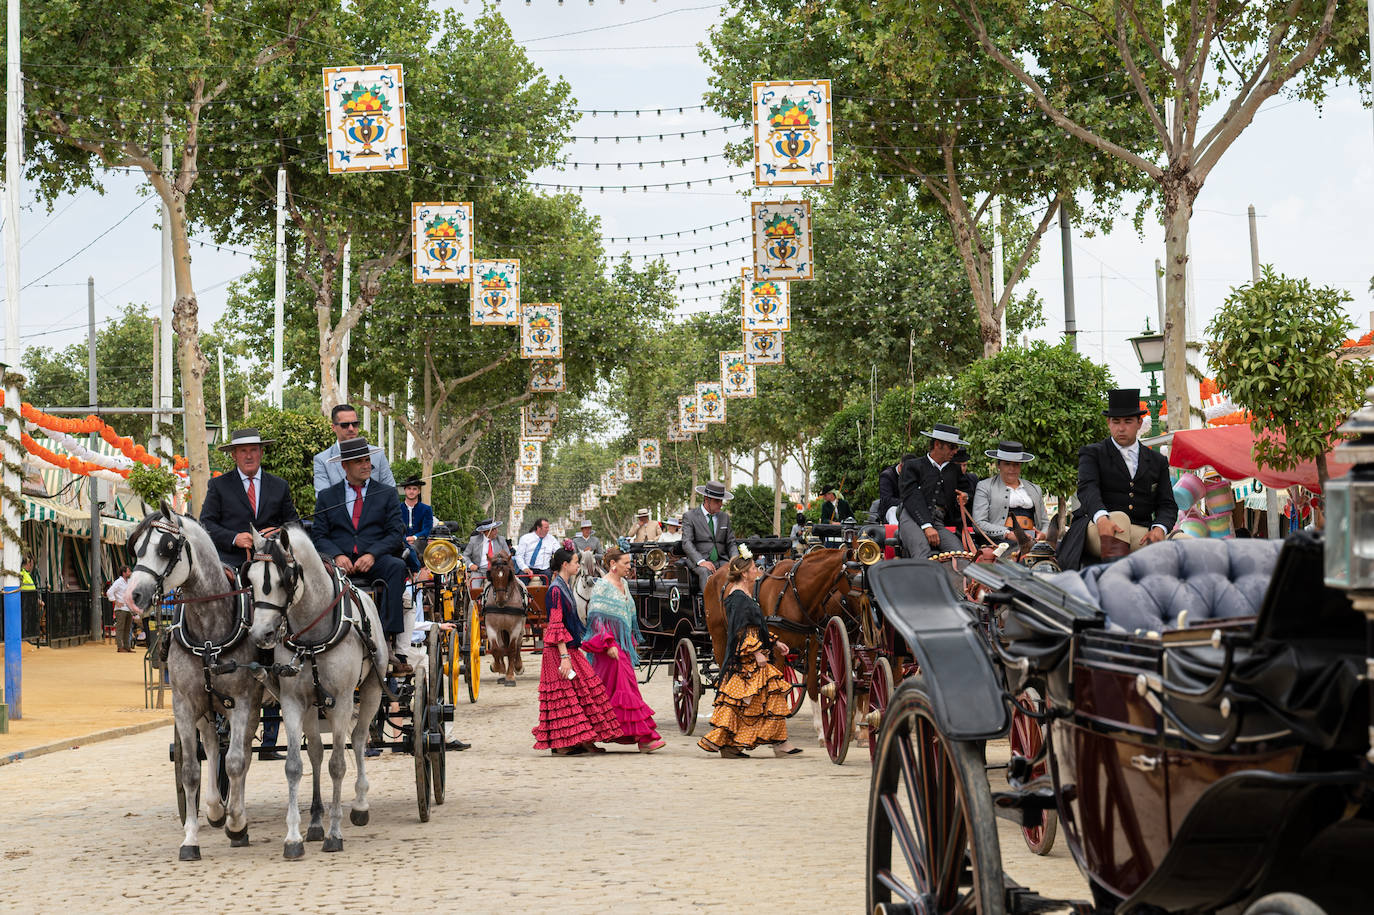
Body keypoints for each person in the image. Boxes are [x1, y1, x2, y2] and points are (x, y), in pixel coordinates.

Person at [310, 437, 412, 674]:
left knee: (396, 567)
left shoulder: (386, 494)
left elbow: (396, 532)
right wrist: (335, 556)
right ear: (345, 465)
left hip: (375, 560)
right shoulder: (327, 497)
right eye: (359, 461)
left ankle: (387, 642)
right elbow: (319, 535)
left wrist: (373, 555)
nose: (366, 465)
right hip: (337, 564)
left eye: (368, 460)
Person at [1058, 388, 1178, 569]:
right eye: (1116, 421)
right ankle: (1117, 587)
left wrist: (1159, 528)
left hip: (1139, 531)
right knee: (1119, 519)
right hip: (1095, 527)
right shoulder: (1092, 453)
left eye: (1128, 421)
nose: (1121, 428)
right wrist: (1101, 517)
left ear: (1139, 422)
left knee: (1184, 542)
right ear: (1108, 423)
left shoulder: (1157, 461)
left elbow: (1167, 504)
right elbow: (1087, 489)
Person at [698, 552, 801, 759]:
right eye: (754, 568)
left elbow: (757, 624)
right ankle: (733, 744)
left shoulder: (745, 593)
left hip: (753, 651)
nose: (758, 571)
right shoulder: (736, 597)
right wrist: (755, 653)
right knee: (747, 701)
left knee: (762, 700)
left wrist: (775, 642)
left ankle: (778, 743)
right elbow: (739, 629)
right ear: (745, 574)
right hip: (746, 658)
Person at [532, 547, 622, 756]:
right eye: (575, 562)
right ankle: (563, 744)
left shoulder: (564, 585)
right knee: (564, 698)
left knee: (585, 691)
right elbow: (555, 625)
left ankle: (583, 740)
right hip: (559, 652)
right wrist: (564, 657)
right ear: (565, 565)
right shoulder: (556, 589)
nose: (578, 566)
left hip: (568, 648)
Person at [582, 547, 665, 752]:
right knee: (617, 691)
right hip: (608, 648)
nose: (629, 567)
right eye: (626, 563)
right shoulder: (602, 586)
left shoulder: (625, 584)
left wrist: (628, 640)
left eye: (629, 563)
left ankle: (593, 735)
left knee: (615, 691)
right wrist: (609, 643)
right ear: (613, 565)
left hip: (623, 646)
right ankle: (644, 738)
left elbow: (628, 615)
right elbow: (596, 619)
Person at [199, 428, 300, 568]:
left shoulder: (279, 486)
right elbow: (206, 523)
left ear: (261, 453)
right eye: (243, 451)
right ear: (234, 456)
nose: (249, 456)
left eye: (253, 450)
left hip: (274, 562)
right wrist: (234, 538)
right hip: (231, 565)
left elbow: (295, 524)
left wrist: (278, 532)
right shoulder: (218, 485)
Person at [896, 424, 975, 560]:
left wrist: (965, 496)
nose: (956, 451)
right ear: (938, 445)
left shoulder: (954, 470)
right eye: (952, 447)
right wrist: (927, 526)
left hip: (938, 521)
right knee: (922, 553)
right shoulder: (912, 466)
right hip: (911, 518)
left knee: (959, 555)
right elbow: (911, 496)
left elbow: (967, 490)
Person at [972, 441, 1049, 546]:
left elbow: (1045, 522)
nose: (1012, 469)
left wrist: (1043, 534)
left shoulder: (1035, 489)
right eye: (1007, 464)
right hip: (999, 542)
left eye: (1016, 464)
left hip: (1031, 539)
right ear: (999, 465)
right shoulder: (985, 486)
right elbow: (978, 524)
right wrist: (1007, 533)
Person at [313, 403, 395, 494]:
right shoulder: (322, 460)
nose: (351, 428)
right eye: (345, 425)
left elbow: (391, 491)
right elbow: (324, 499)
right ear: (333, 427)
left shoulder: (377, 455)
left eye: (355, 424)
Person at [681, 480, 738, 592]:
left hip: (722, 560)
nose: (720, 504)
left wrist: (734, 559)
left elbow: (731, 542)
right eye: (717, 501)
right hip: (699, 561)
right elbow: (686, 542)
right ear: (706, 499)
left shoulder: (724, 517)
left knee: (736, 571)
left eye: (721, 501)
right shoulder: (690, 516)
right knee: (704, 571)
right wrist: (701, 561)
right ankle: (707, 606)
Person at [398, 476, 433, 572]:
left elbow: (427, 529)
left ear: (419, 491)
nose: (411, 491)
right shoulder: (397, 509)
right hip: (400, 542)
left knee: (411, 549)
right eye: (409, 488)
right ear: (405, 490)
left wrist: (414, 537)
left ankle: (416, 572)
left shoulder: (426, 509)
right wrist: (404, 539)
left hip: (419, 543)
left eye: (414, 489)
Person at [514, 517, 560, 582]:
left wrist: (557, 568)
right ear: (538, 528)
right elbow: (519, 556)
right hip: (528, 567)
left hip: (544, 569)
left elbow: (559, 553)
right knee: (522, 580)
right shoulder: (525, 538)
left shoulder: (551, 539)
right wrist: (525, 568)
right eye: (546, 528)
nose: (548, 530)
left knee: (548, 576)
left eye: (548, 527)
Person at [876, 455, 914, 526]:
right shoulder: (887, 476)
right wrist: (907, 502)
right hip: (890, 510)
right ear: (900, 466)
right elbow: (886, 500)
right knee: (893, 511)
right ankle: (895, 533)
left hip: (910, 509)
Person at [106, 566, 137, 652]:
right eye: (128, 571)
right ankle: (120, 646)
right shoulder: (118, 582)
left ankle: (127, 646)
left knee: (127, 628)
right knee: (120, 628)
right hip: (121, 608)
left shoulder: (129, 582)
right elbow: (109, 592)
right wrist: (115, 601)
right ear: (124, 573)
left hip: (128, 608)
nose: (130, 573)